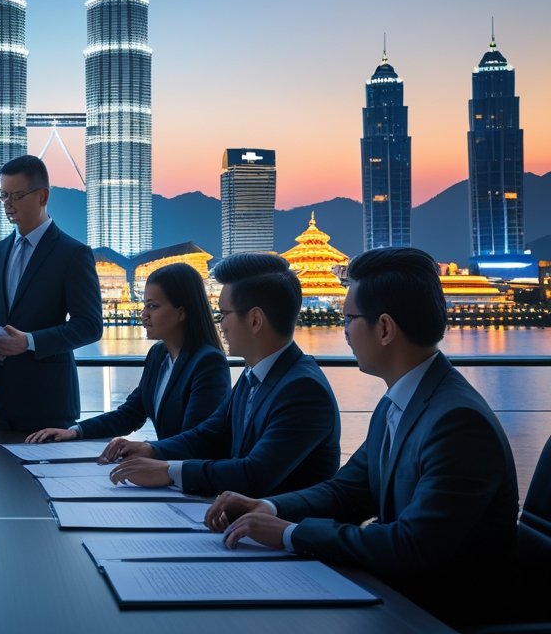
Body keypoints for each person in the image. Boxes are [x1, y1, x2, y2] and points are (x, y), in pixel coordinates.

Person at [205, 247, 518, 627]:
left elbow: (411, 546)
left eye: (349, 319)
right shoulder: (400, 402)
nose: (344, 331)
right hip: (395, 594)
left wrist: (291, 534)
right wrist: (268, 508)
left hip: (436, 614)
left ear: (384, 328)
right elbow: (346, 491)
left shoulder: (458, 422)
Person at [103, 252, 340, 497]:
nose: (220, 324)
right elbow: (210, 432)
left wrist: (167, 470)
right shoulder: (255, 375)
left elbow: (254, 474)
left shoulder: (302, 390)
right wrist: (151, 450)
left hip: (278, 527)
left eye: (225, 314)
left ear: (255, 320)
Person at [0, 155, 102, 432]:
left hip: (48, 402)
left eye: (16, 195)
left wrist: (30, 342)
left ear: (43, 196)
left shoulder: (73, 254)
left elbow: (90, 326)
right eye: (3, 195)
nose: (7, 204)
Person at [25, 262, 229, 444]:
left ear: (181, 312)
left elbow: (196, 439)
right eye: (144, 305)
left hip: (186, 477)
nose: (144, 314)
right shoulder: (159, 355)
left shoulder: (208, 362)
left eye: (153, 306)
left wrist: (145, 450)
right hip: (162, 469)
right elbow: (131, 414)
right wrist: (75, 431)